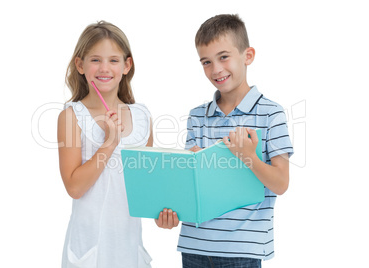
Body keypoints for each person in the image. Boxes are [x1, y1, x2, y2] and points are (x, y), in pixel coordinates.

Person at [156, 14, 294, 267]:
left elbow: (281, 184)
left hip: (243, 251)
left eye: (224, 57)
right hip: (194, 245)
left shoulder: (271, 114)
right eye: (206, 62)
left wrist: (249, 157)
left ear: (247, 56)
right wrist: (169, 210)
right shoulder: (198, 115)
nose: (216, 69)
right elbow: (190, 187)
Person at [58, 21, 153, 268]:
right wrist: (109, 143)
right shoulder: (71, 116)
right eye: (95, 60)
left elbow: (148, 187)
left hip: (129, 247)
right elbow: (75, 187)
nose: (104, 68)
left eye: (113, 60)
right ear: (80, 65)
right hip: (88, 248)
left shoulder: (142, 117)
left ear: (126, 65)